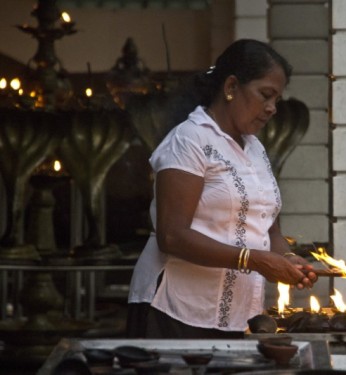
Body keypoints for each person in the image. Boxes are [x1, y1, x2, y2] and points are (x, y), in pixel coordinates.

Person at [127, 39, 318, 339]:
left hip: (235, 315)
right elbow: (172, 235)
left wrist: (289, 260)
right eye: (266, 95)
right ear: (231, 87)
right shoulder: (189, 140)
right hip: (174, 310)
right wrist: (253, 260)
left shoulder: (255, 150)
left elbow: (270, 232)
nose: (271, 109)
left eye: (277, 100)